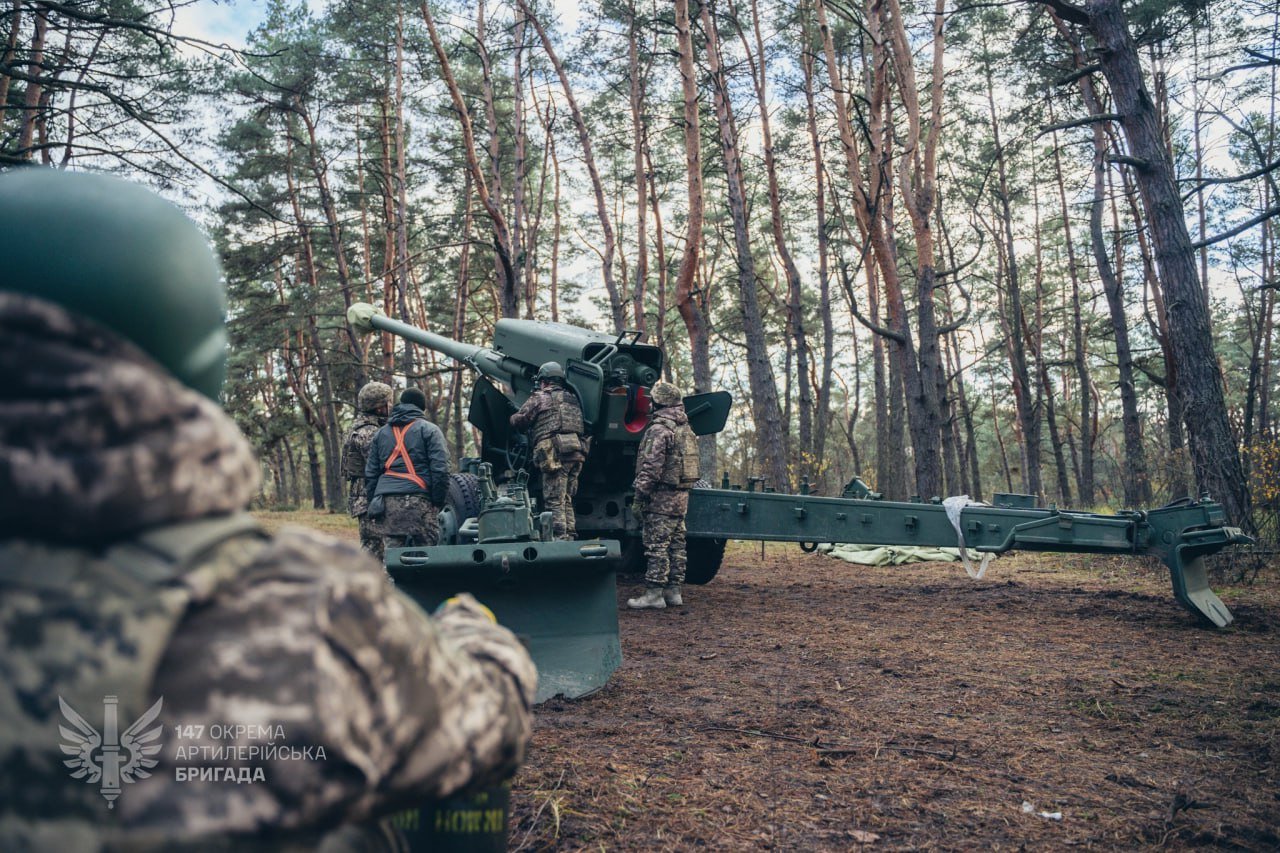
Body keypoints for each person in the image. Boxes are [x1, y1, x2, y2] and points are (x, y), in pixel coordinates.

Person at [0, 168, 536, 850]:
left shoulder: (371, 439)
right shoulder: (304, 608)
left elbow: (367, 471)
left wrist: (368, 502)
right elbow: (486, 720)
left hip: (379, 509)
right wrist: (473, 631)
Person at [627, 381, 699, 610]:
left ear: (658, 403)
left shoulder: (659, 429)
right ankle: (673, 592)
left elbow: (651, 467)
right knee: (676, 546)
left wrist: (639, 497)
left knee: (656, 546)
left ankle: (654, 595)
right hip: (680, 497)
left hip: (660, 499)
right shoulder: (686, 429)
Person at [509, 362, 588, 540]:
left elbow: (520, 421)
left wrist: (512, 416)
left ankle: (560, 538)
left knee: (554, 500)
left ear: (543, 381)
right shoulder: (572, 398)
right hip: (576, 453)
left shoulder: (541, 397)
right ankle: (570, 535)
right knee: (566, 498)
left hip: (556, 454)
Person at [365, 387, 450, 550]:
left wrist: (373, 502)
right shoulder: (430, 430)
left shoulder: (380, 434)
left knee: (394, 558)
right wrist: (438, 501)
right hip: (420, 502)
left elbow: (371, 474)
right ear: (422, 408)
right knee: (427, 557)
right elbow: (441, 470)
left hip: (388, 504)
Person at [341, 381, 393, 561]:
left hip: (365, 494)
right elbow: (381, 465)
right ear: (379, 407)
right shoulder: (370, 432)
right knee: (374, 549)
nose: (391, 406)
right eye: (388, 402)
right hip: (370, 495)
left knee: (374, 547)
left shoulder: (359, 427)